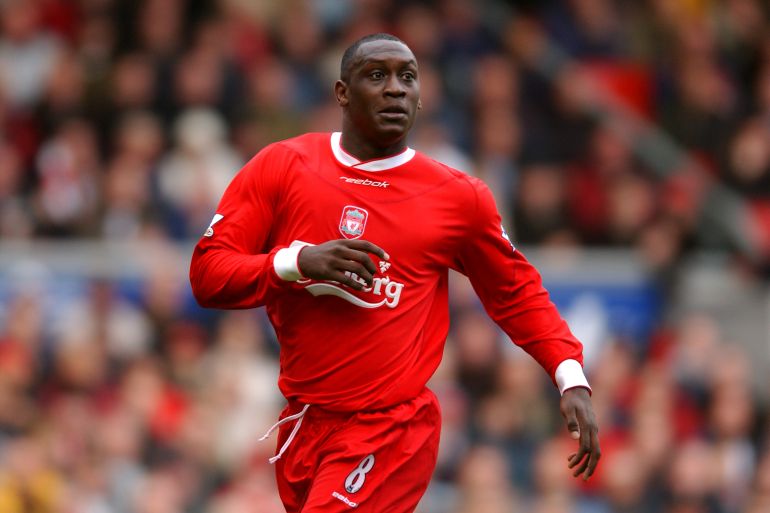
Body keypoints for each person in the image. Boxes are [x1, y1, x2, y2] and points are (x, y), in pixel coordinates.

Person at [190, 33, 600, 513]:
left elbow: (516, 291)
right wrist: (296, 262)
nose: (395, 89)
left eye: (408, 77)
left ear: (422, 98)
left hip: (391, 428)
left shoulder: (456, 197)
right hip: (305, 424)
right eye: (377, 75)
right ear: (342, 92)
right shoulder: (283, 167)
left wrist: (570, 375)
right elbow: (208, 274)